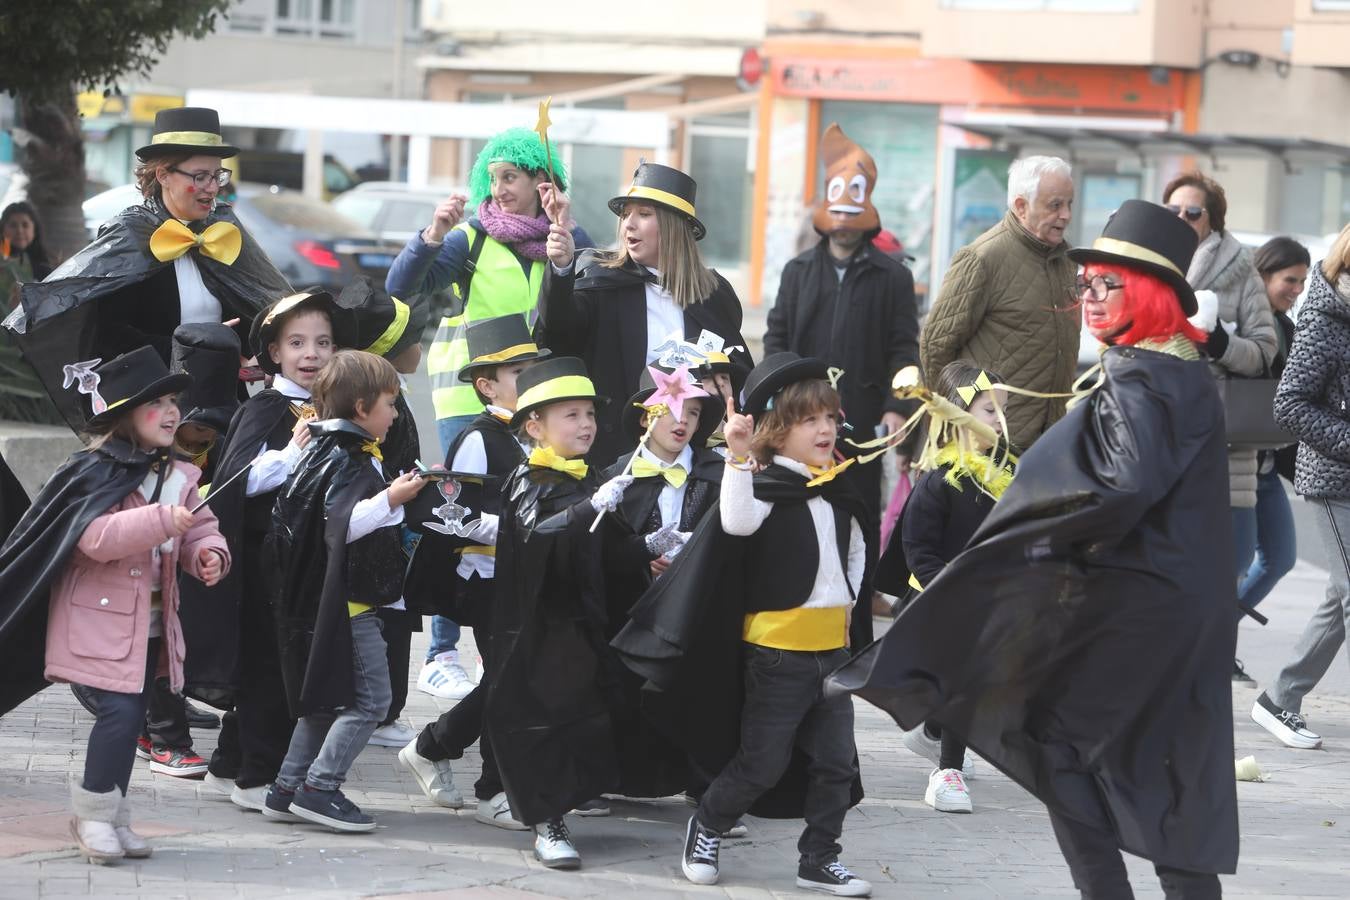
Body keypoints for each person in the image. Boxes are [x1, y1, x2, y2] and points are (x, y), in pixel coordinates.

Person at [832, 200, 1238, 898]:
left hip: (1137, 607)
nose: (1090, 298)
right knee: (1167, 768)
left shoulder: (1140, 374)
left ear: (1148, 291)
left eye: (1107, 284)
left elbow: (1126, 483)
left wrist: (1043, 524)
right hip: (1181, 610)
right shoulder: (1187, 372)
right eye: (1086, 285)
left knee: (1054, 743)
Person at [612, 352, 875, 897]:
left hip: (832, 652)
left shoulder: (840, 485)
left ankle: (819, 858)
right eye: (809, 420)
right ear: (778, 432)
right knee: (761, 763)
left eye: (830, 417)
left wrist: (849, 604)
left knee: (836, 765)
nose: (826, 429)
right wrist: (735, 457)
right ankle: (707, 825)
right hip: (777, 656)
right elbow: (736, 521)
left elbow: (854, 553)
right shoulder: (767, 485)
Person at [0, 347, 230, 863]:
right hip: (97, 621)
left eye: (174, 400)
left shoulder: (177, 476)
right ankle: (94, 816)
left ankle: (112, 815)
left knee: (130, 718)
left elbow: (202, 525)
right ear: (124, 415)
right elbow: (92, 540)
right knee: (122, 717)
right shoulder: (93, 471)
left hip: (150, 625)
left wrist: (207, 554)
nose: (173, 412)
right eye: (158, 403)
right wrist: (160, 522)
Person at [385, 130, 590, 701]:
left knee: (523, 518)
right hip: (466, 400)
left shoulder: (568, 236)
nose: (499, 189)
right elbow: (399, 289)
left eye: (512, 178)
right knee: (461, 517)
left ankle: (503, 642)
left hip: (541, 402)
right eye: (493, 178)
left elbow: (586, 299)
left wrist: (567, 245)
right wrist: (431, 235)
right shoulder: (470, 239)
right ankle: (441, 652)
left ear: (542, 182)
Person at [12, 106, 289, 430]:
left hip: (223, 405)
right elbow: (110, 335)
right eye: (200, 176)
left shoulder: (224, 231)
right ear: (163, 175)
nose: (213, 188)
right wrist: (192, 347)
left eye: (218, 175)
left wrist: (251, 354)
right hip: (152, 408)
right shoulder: (131, 236)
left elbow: (255, 310)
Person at [186, 290, 356, 811]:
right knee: (268, 667)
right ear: (274, 354)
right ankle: (258, 776)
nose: (311, 354)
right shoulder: (266, 407)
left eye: (323, 343)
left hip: (303, 560)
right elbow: (237, 482)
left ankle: (229, 762)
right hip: (265, 558)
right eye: (297, 343)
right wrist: (291, 453)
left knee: (277, 662)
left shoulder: (329, 407)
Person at [264, 350, 430, 832]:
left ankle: (286, 789)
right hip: (351, 605)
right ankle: (320, 788)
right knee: (371, 701)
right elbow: (340, 526)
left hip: (331, 601)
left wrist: (391, 493)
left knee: (326, 699)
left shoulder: (325, 449)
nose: (396, 414)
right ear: (362, 408)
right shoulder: (348, 456)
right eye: (390, 404)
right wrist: (390, 498)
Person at [485, 356, 633, 868]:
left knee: (583, 716)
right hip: (538, 630)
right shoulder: (532, 479)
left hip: (580, 625)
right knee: (542, 723)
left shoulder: (583, 477)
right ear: (535, 426)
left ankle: (567, 800)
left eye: (589, 414)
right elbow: (539, 535)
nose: (586, 424)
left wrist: (646, 545)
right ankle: (546, 824)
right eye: (570, 415)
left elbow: (603, 548)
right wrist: (591, 508)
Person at [399, 314, 543, 830]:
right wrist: (521, 531)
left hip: (526, 578)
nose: (532, 380)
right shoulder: (483, 438)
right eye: (520, 372)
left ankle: (434, 745)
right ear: (486, 385)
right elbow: (458, 519)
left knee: (513, 677)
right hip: (487, 580)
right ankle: (493, 790)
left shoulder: (536, 431)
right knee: (508, 679)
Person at [537, 162, 754, 467]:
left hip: (695, 457)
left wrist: (718, 377)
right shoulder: (601, 279)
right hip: (618, 455)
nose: (628, 224)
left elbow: (740, 371)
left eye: (644, 214)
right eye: (625, 215)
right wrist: (561, 268)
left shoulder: (713, 293)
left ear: (673, 225)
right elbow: (559, 335)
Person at [874, 361, 1014, 816]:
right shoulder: (937, 482)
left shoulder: (1006, 475)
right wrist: (953, 593)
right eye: (988, 410)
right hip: (934, 602)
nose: (998, 419)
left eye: (1002, 410)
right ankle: (947, 772)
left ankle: (934, 735)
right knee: (961, 677)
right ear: (958, 415)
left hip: (985, 601)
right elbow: (920, 552)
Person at [763, 124, 920, 520]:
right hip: (800, 416)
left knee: (859, 510)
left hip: (862, 417)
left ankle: (860, 584)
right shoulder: (796, 272)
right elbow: (776, 338)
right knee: (798, 511)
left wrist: (896, 406)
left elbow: (904, 347)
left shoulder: (894, 278)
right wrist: (778, 397)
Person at [1163, 172, 1279, 684]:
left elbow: (1265, 350)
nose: (1183, 221)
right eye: (1174, 211)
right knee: (1166, 564)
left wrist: (1218, 347)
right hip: (1163, 432)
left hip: (1226, 441)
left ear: (1213, 219)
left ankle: (1201, 666)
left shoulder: (1240, 269)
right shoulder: (1151, 261)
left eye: (1194, 213)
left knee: (1231, 562)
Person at [599, 366, 724, 802]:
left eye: (692, 412)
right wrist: (639, 556)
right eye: (671, 409)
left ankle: (703, 783)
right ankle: (612, 778)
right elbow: (603, 544)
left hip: (695, 604)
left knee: (698, 693)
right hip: (634, 605)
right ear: (644, 417)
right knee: (623, 690)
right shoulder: (619, 475)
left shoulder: (716, 472)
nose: (682, 421)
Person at [1254, 224, 1350, 751]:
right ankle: (1278, 700)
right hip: (1334, 478)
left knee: (1338, 598)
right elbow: (1288, 406)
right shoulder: (1322, 318)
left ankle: (1279, 700)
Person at [921, 156, 1078, 451]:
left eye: (1070, 203)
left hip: (1047, 443)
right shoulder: (982, 258)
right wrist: (958, 424)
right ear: (1021, 206)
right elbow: (935, 345)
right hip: (988, 445)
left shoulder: (1065, 261)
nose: (1066, 215)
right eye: (1055, 205)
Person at [335, 278, 431, 750]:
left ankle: (386, 707)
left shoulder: (393, 396)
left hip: (394, 523)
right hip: (381, 526)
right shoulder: (375, 409)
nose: (420, 347)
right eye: (411, 340)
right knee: (387, 617)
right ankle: (380, 711)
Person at [1237, 237, 1308, 616]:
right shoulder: (1242, 325)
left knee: (1279, 558)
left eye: (1302, 282)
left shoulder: (1288, 329)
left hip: (1267, 465)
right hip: (1235, 463)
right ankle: (1212, 648)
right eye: (1290, 281)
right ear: (1263, 275)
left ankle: (1214, 637)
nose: (1296, 291)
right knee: (1233, 562)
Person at [1, 201, 55, 307]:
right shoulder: (3, 262)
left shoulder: (45, 264)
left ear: (34, 229)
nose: (19, 231)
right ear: (3, 229)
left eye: (25, 225)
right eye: (13, 225)